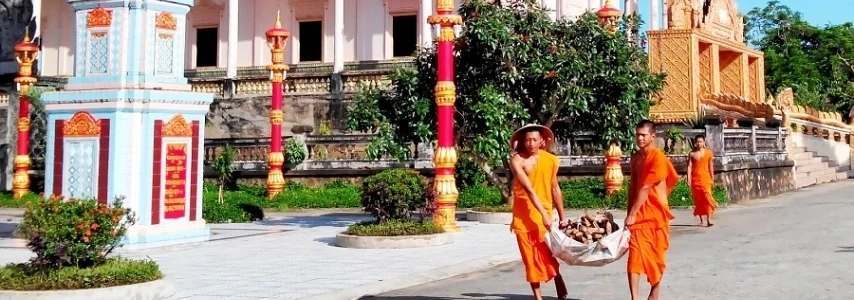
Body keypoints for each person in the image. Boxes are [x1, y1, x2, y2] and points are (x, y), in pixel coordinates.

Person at [508, 124, 570, 300]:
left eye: (534, 139)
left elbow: (555, 188)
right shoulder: (517, 161)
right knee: (529, 259)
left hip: (544, 213)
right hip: (524, 215)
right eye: (528, 140)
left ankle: (557, 276)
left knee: (547, 253)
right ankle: (538, 297)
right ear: (522, 141)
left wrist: (562, 217)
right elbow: (529, 190)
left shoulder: (550, 160)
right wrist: (543, 214)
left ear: (542, 140)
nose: (531, 143)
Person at [626, 120, 678, 300]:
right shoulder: (635, 158)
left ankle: (655, 291)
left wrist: (633, 213)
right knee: (634, 256)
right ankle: (634, 298)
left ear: (652, 137)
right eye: (637, 135)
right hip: (639, 216)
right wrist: (629, 213)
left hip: (656, 216)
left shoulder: (658, 158)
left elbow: (646, 187)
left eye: (643, 135)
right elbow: (634, 186)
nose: (640, 138)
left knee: (656, 257)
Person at [687, 134, 716, 227]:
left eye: (701, 142)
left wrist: (712, 178)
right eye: (697, 142)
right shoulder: (692, 154)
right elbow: (689, 166)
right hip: (696, 179)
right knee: (698, 200)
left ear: (704, 142)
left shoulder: (709, 153)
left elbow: (710, 166)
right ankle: (702, 220)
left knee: (707, 198)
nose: (699, 143)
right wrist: (688, 178)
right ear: (695, 143)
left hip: (706, 178)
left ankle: (709, 219)